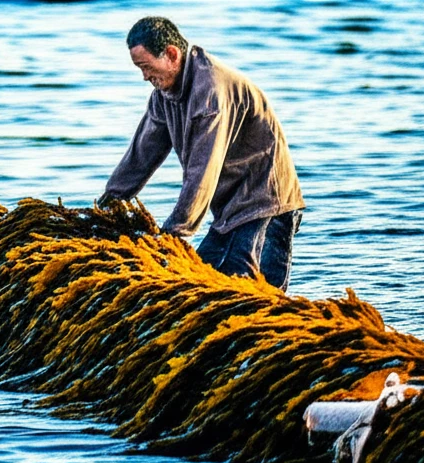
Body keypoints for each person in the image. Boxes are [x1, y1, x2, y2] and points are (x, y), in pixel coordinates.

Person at [99, 17, 305, 292]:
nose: (144, 77)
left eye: (146, 67)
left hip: (265, 203)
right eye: (140, 69)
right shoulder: (164, 94)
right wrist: (107, 206)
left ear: (172, 54)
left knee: (246, 293)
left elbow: (202, 172)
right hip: (230, 209)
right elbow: (140, 157)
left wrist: (173, 234)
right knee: (201, 281)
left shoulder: (210, 93)